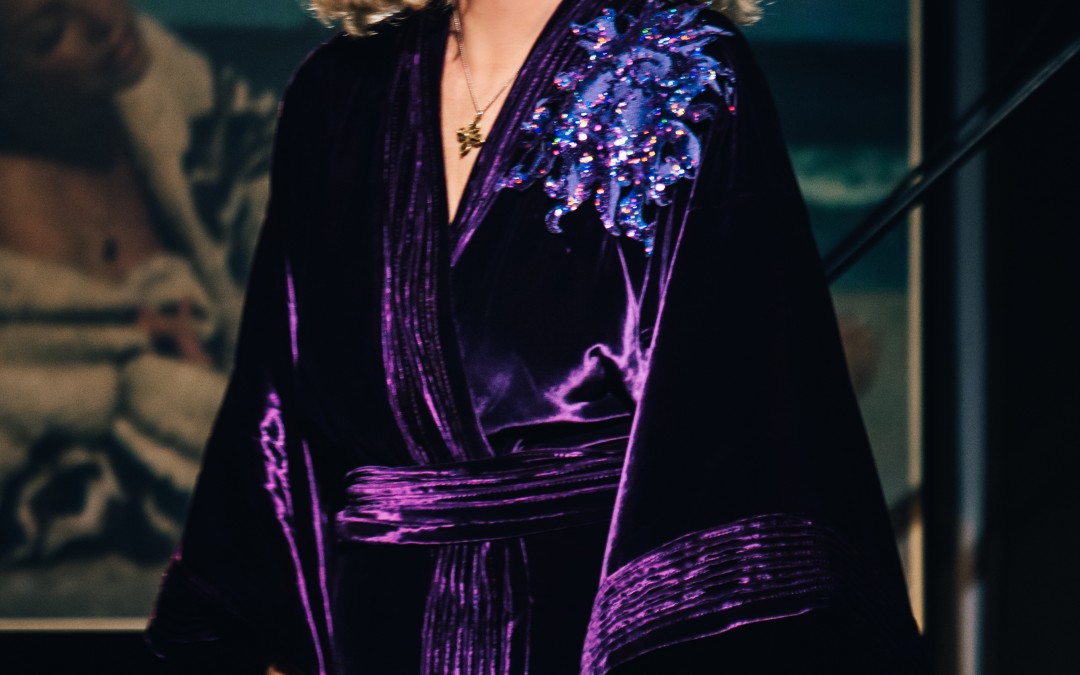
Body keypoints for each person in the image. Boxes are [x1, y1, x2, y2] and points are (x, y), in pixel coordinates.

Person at [146, 0, 928, 673]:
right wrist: (250, 637)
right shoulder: (336, 92)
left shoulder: (690, 76)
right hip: (375, 624)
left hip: (591, 626)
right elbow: (274, 416)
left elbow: (742, 429)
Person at [0, 0, 274, 572]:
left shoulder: (166, 86)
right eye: (50, 34)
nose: (104, 20)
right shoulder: (20, 247)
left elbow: (299, 186)